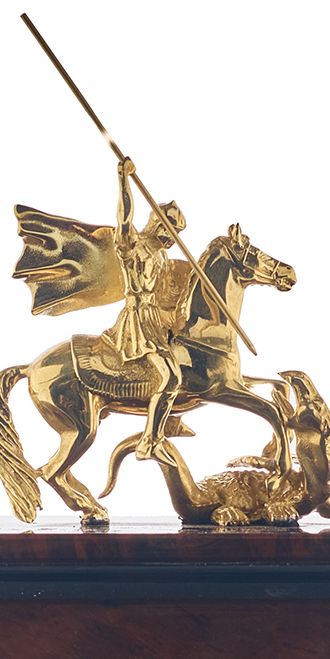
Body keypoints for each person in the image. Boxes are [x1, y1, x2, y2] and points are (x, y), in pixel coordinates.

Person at [106, 158, 186, 456]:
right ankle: (149, 442)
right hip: (137, 321)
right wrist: (123, 180)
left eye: (176, 235)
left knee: (188, 364)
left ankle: (172, 420)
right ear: (157, 223)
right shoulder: (131, 245)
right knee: (171, 377)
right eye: (170, 231)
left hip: (156, 319)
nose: (172, 240)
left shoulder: (161, 255)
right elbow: (124, 218)